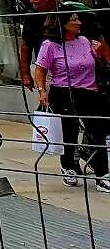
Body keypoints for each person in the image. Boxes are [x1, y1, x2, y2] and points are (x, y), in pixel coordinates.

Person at [32, 10, 109, 187]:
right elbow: (40, 70)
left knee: (96, 132)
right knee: (69, 132)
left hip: (89, 92)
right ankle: (68, 167)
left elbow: (101, 62)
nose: (78, 22)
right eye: (74, 19)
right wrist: (42, 91)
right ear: (63, 23)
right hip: (64, 93)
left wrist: (99, 52)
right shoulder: (50, 45)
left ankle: (102, 174)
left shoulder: (84, 41)